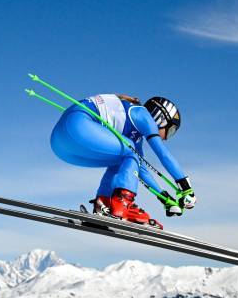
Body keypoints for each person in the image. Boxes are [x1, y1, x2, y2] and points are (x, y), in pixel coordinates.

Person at [50, 93, 196, 227]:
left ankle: (104, 204)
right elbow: (162, 154)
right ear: (161, 117)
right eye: (169, 131)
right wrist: (186, 187)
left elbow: (140, 170)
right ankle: (122, 205)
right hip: (78, 125)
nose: (165, 138)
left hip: (61, 141)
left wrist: (165, 199)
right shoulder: (143, 114)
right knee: (130, 150)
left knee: (125, 158)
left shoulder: (133, 131)